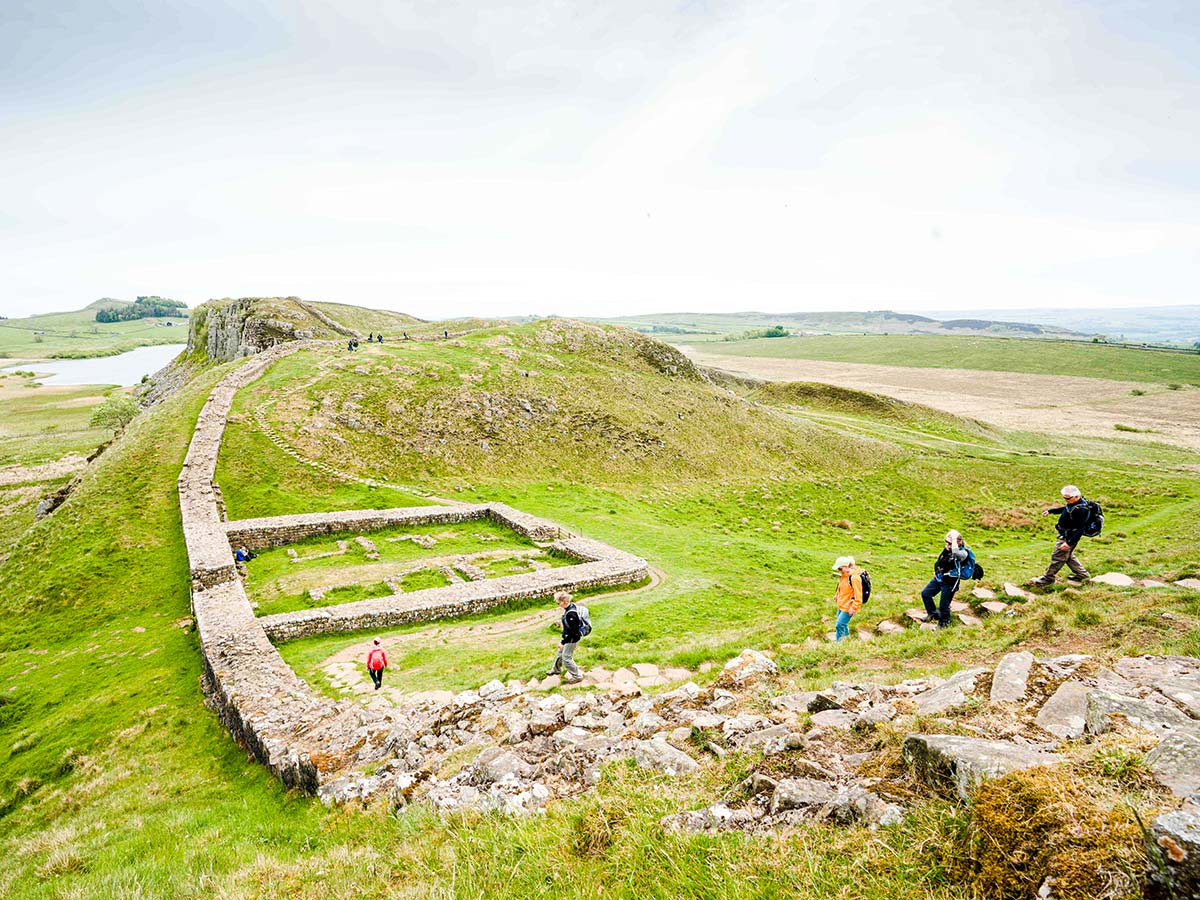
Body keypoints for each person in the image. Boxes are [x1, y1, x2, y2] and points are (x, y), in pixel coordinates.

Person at [1028, 485, 1092, 586]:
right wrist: (1050, 511)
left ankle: (1048, 578)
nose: (1066, 500)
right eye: (1064, 498)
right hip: (1064, 534)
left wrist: (1069, 543)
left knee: (1057, 556)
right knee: (1069, 557)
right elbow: (1065, 509)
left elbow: (1081, 528)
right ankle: (1083, 576)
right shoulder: (1074, 503)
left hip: (1068, 537)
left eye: (1067, 498)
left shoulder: (1082, 510)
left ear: (1076, 496)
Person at [921, 530, 973, 628]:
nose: (947, 545)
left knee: (944, 605)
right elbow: (940, 561)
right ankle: (933, 614)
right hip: (939, 578)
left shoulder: (963, 553)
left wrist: (953, 542)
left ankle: (944, 624)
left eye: (949, 543)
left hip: (950, 582)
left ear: (957, 543)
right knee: (925, 593)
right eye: (947, 543)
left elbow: (956, 553)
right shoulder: (947, 550)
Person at [545, 591, 584, 683]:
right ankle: (556, 669)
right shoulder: (571, 607)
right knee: (560, 653)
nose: (558, 604)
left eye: (559, 603)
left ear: (565, 602)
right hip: (568, 637)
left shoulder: (571, 614)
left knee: (566, 658)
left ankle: (577, 676)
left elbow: (573, 632)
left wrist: (563, 642)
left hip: (572, 640)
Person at [832, 556, 865, 641]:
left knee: (839, 625)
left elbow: (859, 596)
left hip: (849, 605)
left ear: (846, 566)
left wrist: (853, 608)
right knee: (843, 624)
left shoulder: (855, 578)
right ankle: (847, 640)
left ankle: (838, 644)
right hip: (842, 603)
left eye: (840, 569)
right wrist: (837, 594)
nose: (839, 571)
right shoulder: (844, 575)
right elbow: (841, 585)